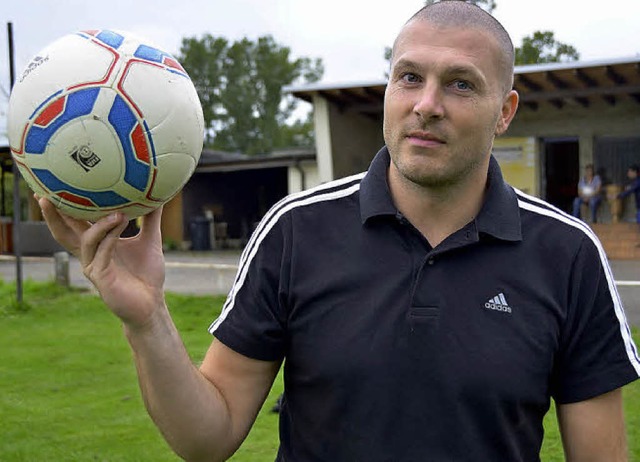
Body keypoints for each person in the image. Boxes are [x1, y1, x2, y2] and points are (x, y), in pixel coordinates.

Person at [39, 2, 639, 461]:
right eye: (409, 77)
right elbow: (208, 436)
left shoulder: (567, 254)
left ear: (505, 110)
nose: (426, 103)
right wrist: (147, 319)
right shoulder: (295, 231)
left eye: (460, 84)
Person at [618, 164, 640, 230]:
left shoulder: (638, 181)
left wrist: (617, 196)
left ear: (635, 172)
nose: (628, 173)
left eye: (630, 171)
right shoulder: (636, 181)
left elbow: (630, 190)